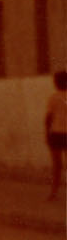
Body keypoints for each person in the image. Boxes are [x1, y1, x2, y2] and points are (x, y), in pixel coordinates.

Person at [46, 71, 67, 202]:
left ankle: (53, 193)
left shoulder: (53, 98)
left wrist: (47, 133)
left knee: (56, 165)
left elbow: (48, 118)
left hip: (56, 134)